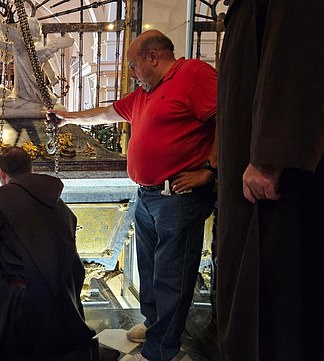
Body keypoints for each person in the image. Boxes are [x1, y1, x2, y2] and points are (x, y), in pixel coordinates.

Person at [46, 30, 217, 361]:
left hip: (178, 197)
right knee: (151, 273)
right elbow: (107, 114)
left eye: (134, 65)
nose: (132, 73)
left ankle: (160, 351)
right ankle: (155, 326)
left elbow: (226, 117)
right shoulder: (145, 94)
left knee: (172, 276)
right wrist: (67, 117)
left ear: (153, 57)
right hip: (148, 197)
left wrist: (211, 170)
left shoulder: (193, 74)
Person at [215, 1, 324, 360]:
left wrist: (269, 156)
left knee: (276, 301)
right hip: (257, 170)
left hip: (280, 187)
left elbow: (297, 55)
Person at [0, 146, 99, 361]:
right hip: (62, 295)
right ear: (31, 170)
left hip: (23, 297)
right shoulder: (56, 200)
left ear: (2, 173)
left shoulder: (0, 198)